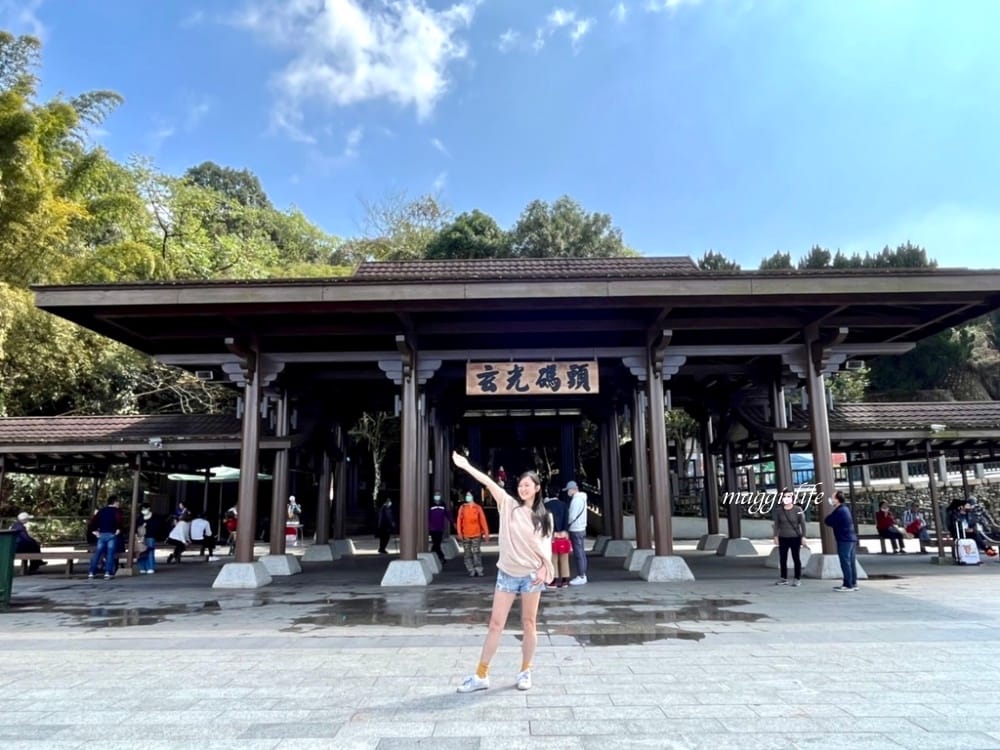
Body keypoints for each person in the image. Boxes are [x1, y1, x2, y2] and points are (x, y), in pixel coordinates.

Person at [451, 451, 553, 693]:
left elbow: (545, 547)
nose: (523, 488)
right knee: (496, 624)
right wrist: (466, 465)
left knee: (529, 623)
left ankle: (526, 670)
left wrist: (543, 567)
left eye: (527, 485)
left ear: (537, 488)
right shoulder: (507, 504)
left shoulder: (544, 517)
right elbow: (488, 482)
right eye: (520, 485)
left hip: (530, 577)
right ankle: (481, 674)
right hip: (507, 574)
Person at [823, 491, 858, 592]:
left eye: (832, 497)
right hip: (851, 539)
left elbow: (828, 520)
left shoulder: (839, 511)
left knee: (845, 562)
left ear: (837, 499)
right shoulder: (845, 509)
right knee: (851, 562)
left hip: (844, 540)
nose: (831, 499)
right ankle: (853, 583)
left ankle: (848, 585)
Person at [772, 493, 807, 586]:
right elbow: (776, 524)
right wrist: (775, 536)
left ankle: (797, 578)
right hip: (783, 537)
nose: (786, 498)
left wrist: (804, 536)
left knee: (796, 558)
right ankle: (783, 578)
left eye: (789, 497)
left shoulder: (798, 509)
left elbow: (803, 524)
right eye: (785, 497)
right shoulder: (779, 511)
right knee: (783, 558)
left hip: (795, 537)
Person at [456, 490, 490, 577]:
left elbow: (483, 521)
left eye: (469, 495)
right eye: (467, 495)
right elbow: (459, 521)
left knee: (476, 552)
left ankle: (478, 569)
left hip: (476, 534)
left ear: (473, 496)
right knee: (467, 553)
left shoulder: (477, 508)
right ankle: (471, 570)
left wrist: (486, 533)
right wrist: (459, 533)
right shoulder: (462, 507)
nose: (468, 497)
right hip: (465, 534)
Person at [88, 496, 123, 580]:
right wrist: (118, 529)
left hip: (102, 534)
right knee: (110, 554)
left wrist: (95, 531)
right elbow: (119, 521)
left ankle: (91, 572)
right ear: (115, 502)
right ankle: (108, 572)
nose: (119, 504)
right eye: (118, 502)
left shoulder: (101, 511)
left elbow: (93, 522)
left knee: (98, 553)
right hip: (112, 534)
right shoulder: (117, 511)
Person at [564, 480, 588, 585]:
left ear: (573, 489)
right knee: (581, 553)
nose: (567, 492)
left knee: (578, 553)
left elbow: (572, 516)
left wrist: (566, 524)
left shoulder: (576, 500)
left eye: (568, 490)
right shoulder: (582, 499)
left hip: (576, 529)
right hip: (582, 528)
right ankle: (583, 574)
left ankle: (581, 576)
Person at [544, 494, 570, 588]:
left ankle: (553, 581)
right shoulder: (564, 505)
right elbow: (567, 519)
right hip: (563, 534)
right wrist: (565, 531)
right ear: (558, 494)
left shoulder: (546, 505)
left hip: (552, 535)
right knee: (564, 558)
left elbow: (546, 521)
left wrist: (552, 532)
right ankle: (565, 581)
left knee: (553, 559)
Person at [427, 491, 453, 564]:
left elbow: (447, 514)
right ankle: (441, 557)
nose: (437, 496)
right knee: (436, 543)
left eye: (438, 495)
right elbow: (427, 516)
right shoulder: (430, 505)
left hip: (440, 527)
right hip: (432, 528)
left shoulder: (443, 504)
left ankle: (435, 555)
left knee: (437, 543)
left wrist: (452, 521)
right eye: (436, 495)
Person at [136, 506, 156, 574]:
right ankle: (142, 567)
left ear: (149, 508)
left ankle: (150, 567)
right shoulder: (140, 517)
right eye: (142, 509)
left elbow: (156, 526)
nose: (143, 510)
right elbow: (136, 526)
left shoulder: (154, 517)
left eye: (145, 509)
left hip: (150, 536)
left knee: (150, 551)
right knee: (141, 552)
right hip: (141, 537)